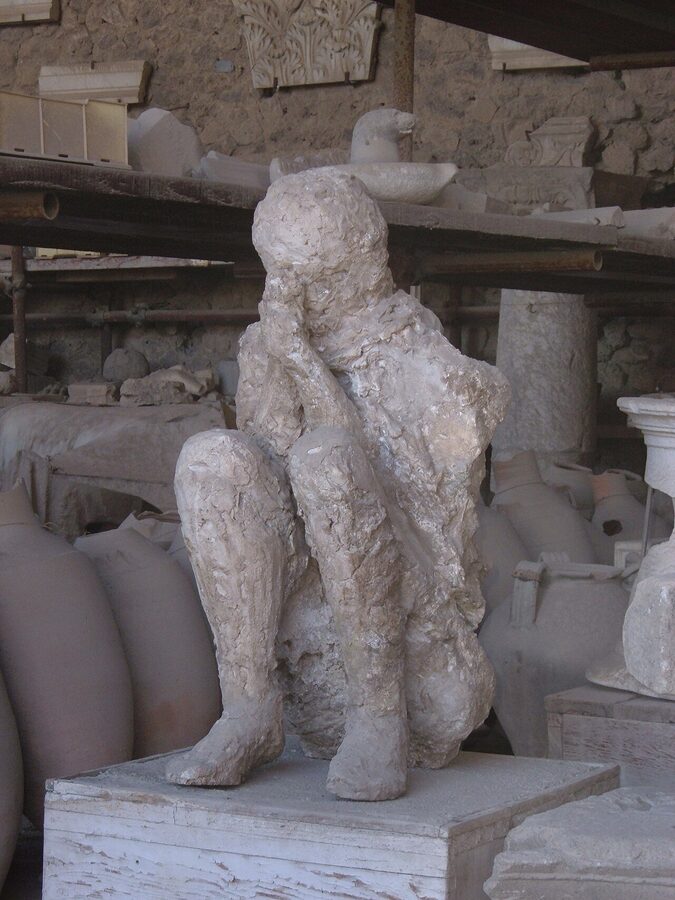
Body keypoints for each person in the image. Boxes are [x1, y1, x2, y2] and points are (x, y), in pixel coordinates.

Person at [166, 171, 510, 800]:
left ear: (362, 270)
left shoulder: (421, 358)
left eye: (304, 280)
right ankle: (249, 707)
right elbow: (270, 464)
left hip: (400, 585)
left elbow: (365, 476)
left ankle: (377, 717)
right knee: (212, 457)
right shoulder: (271, 339)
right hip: (310, 572)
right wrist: (278, 358)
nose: (285, 295)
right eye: (276, 275)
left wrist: (302, 362)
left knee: (327, 460)